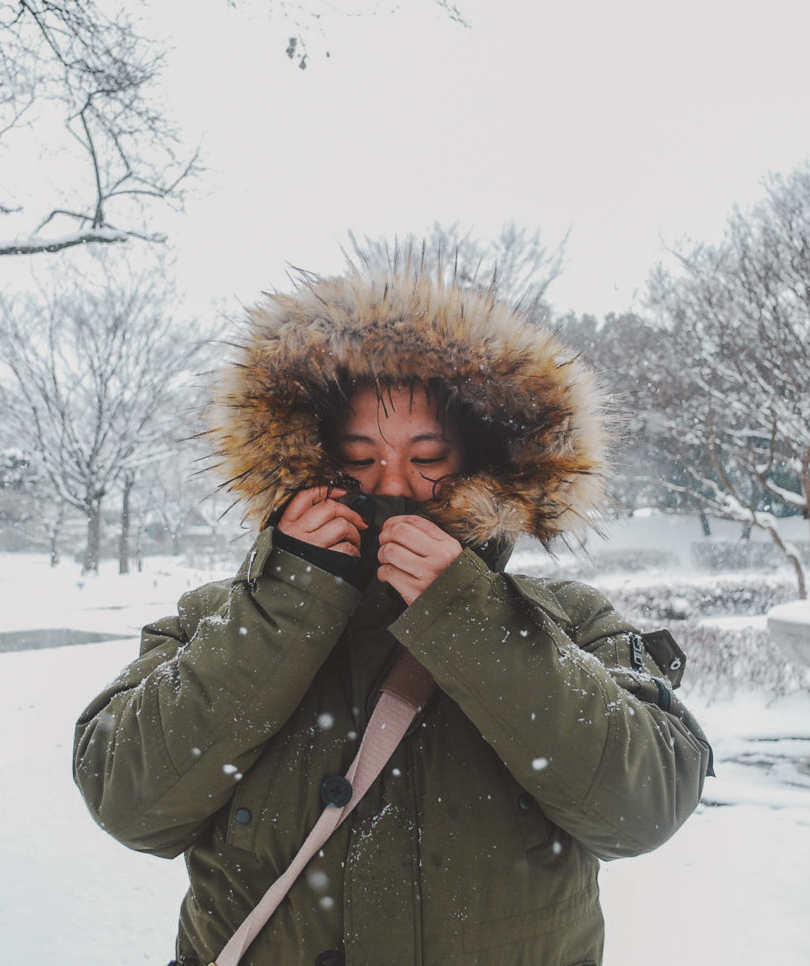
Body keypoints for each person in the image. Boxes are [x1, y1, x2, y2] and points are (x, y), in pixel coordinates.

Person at [72, 256, 712, 966]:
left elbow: (643, 809)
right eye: (358, 456)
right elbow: (128, 800)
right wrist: (287, 603)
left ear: (482, 464)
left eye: (429, 457)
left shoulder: (569, 621)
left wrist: (471, 618)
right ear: (310, 459)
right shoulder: (222, 619)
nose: (395, 485)